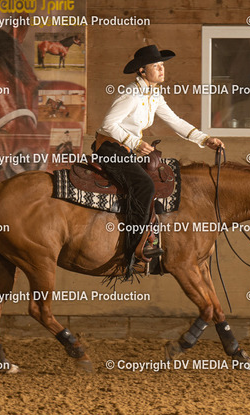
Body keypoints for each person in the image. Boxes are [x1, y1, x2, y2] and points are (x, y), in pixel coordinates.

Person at [94, 45, 224, 275]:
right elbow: (108, 124)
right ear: (142, 71)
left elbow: (175, 121)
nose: (162, 69)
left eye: (162, 65)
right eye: (156, 66)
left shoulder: (154, 95)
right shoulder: (131, 94)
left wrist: (205, 140)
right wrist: (135, 143)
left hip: (127, 149)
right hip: (110, 148)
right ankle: (135, 246)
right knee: (144, 185)